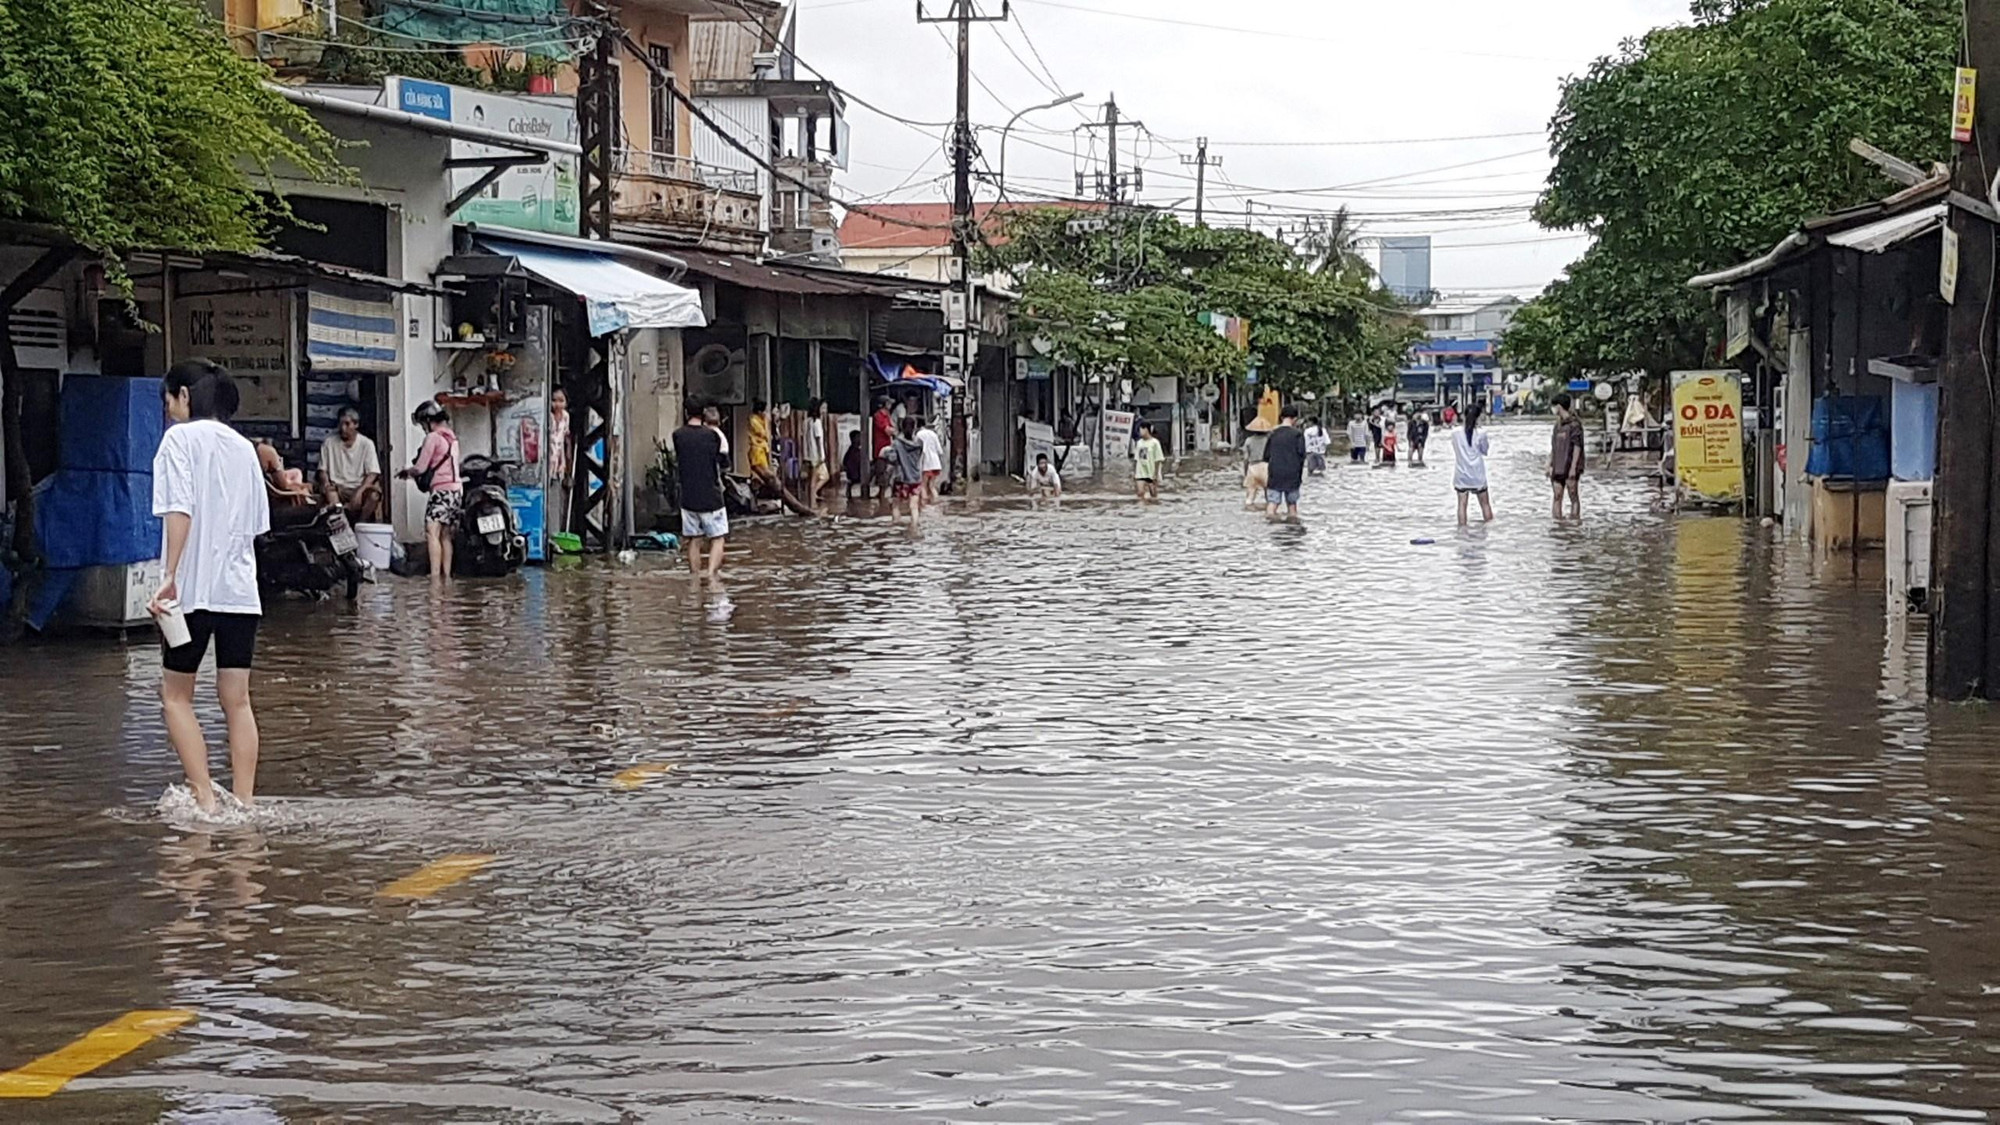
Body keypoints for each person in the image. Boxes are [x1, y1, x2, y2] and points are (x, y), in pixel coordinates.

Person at [149, 360, 268, 816]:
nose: (168, 409)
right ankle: (244, 802)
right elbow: (257, 525)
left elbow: (179, 509)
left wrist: (169, 576)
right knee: (237, 701)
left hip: (191, 592)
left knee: (175, 695)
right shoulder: (244, 448)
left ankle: (205, 799)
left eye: (169, 399)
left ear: (184, 395)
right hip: (240, 593)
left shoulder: (177, 440)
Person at [672, 401, 729, 579]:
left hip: (688, 497)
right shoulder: (712, 436)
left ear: (686, 412)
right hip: (711, 496)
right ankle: (711, 576)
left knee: (694, 539)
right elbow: (723, 463)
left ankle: (694, 579)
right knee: (717, 538)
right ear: (703, 413)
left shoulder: (678, 435)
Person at [317, 408, 382, 523]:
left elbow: (372, 473)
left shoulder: (367, 444)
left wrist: (359, 492)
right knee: (331, 495)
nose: (343, 428)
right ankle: (341, 525)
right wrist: (326, 484)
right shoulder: (329, 443)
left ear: (356, 425)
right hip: (338, 487)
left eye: (347, 424)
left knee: (374, 496)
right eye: (341, 424)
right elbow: (322, 470)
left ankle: (360, 525)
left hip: (359, 486)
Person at [1453, 400, 1495, 526]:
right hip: (1477, 473)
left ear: (1464, 416)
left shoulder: (1455, 433)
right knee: (1485, 504)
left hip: (1461, 473)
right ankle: (1490, 531)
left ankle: (1462, 532)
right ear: (1478, 417)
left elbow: (1455, 448)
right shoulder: (1481, 433)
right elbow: (1485, 450)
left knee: (1462, 505)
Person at [1263, 404, 1308, 522]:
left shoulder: (1273, 434)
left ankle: (1269, 526)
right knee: (1292, 506)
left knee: (1272, 503)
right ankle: (1291, 528)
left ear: (1281, 417)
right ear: (1295, 419)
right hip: (1293, 473)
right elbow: (1302, 455)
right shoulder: (1297, 434)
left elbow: (1266, 456)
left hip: (1275, 472)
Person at [1550, 392, 1586, 519]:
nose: (1553, 409)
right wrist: (1549, 464)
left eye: (1554, 406)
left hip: (1570, 465)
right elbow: (1554, 447)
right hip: (1558, 466)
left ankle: (1574, 522)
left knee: (1573, 495)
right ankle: (1557, 523)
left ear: (1559, 406)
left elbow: (1577, 446)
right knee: (1557, 495)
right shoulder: (1557, 425)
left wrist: (1573, 467)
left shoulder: (1575, 425)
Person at [890, 415, 927, 523]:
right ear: (915, 427)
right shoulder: (919, 443)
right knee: (914, 506)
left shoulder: (897, 443)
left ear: (901, 427)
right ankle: (914, 527)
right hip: (915, 478)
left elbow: (892, 458)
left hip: (900, 478)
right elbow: (920, 456)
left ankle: (896, 527)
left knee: (896, 505)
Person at [547, 387, 571, 534]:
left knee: (556, 499)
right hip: (546, 461)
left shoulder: (566, 417)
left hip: (557, 463)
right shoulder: (547, 416)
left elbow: (563, 441)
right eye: (554, 400)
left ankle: (554, 533)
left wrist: (564, 463)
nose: (557, 404)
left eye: (561, 401)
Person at [802, 398, 830, 502]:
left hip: (807, 454)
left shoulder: (806, 422)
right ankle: (812, 498)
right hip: (816, 455)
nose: (825, 410)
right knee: (817, 479)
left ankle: (811, 497)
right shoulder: (817, 422)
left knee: (811, 479)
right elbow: (818, 440)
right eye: (823, 408)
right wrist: (821, 456)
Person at [916, 414, 946, 502]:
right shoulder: (934, 434)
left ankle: (925, 504)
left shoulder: (919, 434)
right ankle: (936, 502)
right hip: (936, 463)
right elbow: (940, 451)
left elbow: (916, 448)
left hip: (926, 463)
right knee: (932, 486)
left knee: (923, 485)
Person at [1133, 420, 1165, 500]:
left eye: (1141, 429)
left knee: (1153, 495)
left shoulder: (1155, 443)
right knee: (1140, 493)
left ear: (1146, 430)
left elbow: (1158, 459)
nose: (1140, 431)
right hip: (1140, 472)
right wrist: (1135, 473)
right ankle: (1141, 506)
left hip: (1151, 472)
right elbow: (1137, 459)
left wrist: (1156, 474)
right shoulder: (1139, 443)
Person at [747, 399, 775, 487]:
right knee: (763, 474)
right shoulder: (754, 420)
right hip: (757, 449)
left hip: (762, 448)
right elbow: (764, 434)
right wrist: (766, 421)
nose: (766, 413)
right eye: (764, 411)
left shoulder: (760, 419)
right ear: (759, 412)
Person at [870, 399, 895, 498]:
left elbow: (892, 428)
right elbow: (888, 430)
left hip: (887, 447)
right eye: (889, 403)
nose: (890, 405)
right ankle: (881, 494)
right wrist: (894, 431)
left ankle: (882, 492)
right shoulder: (878, 416)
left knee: (886, 470)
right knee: (881, 470)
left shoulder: (887, 415)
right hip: (880, 448)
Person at [842, 429, 868, 501]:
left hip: (853, 474)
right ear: (854, 439)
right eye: (859, 437)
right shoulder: (854, 452)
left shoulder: (853, 451)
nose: (861, 440)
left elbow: (844, 462)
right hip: (855, 475)